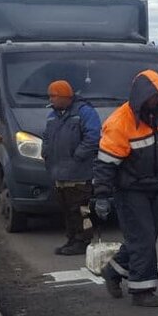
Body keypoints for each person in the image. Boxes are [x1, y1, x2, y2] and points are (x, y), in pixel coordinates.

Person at [92, 70, 158, 307]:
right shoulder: (120, 123)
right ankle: (142, 290)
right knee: (143, 239)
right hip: (130, 190)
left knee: (147, 238)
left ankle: (113, 270)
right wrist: (101, 196)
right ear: (142, 95)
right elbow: (105, 163)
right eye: (154, 95)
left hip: (153, 187)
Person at [42, 80, 101, 256]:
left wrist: (77, 156)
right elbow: (47, 136)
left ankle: (83, 241)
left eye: (53, 96)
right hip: (60, 173)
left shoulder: (85, 112)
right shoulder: (53, 115)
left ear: (64, 96)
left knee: (80, 210)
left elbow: (93, 137)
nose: (50, 99)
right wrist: (46, 152)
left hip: (79, 174)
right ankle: (72, 239)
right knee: (67, 210)